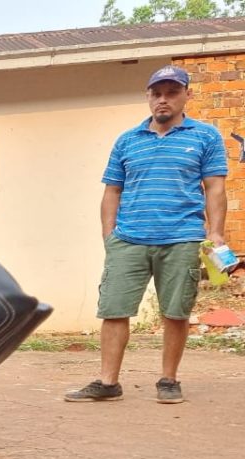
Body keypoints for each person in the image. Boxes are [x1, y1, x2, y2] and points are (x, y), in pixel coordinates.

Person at [66, 65, 227, 405]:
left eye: (171, 92)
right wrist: (109, 237)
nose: (163, 100)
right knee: (113, 309)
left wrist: (215, 233)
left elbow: (214, 188)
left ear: (187, 95)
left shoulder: (205, 136)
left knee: (176, 312)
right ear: (149, 97)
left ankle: (168, 380)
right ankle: (108, 383)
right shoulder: (127, 140)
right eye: (156, 93)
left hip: (181, 237)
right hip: (129, 239)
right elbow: (112, 191)